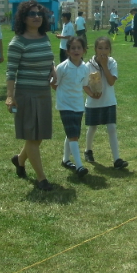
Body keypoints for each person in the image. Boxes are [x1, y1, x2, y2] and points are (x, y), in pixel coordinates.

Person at [6, 0, 55, 191]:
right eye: (32, 14)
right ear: (23, 18)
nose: (36, 17)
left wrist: (53, 70)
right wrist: (10, 96)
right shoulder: (17, 42)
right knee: (32, 136)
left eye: (39, 14)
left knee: (38, 136)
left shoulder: (44, 37)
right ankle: (41, 179)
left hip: (43, 92)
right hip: (26, 94)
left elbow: (49, 58)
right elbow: (11, 72)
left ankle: (19, 160)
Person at [83, 36, 128, 169]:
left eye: (106, 48)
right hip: (93, 102)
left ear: (110, 50)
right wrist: (91, 94)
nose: (103, 51)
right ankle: (88, 150)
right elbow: (84, 84)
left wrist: (104, 65)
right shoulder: (88, 65)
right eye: (100, 48)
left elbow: (111, 81)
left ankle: (117, 159)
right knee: (92, 127)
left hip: (109, 101)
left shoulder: (112, 62)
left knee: (112, 128)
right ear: (95, 49)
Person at [52, 36, 89, 178]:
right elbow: (54, 83)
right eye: (73, 48)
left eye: (79, 47)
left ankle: (65, 160)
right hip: (65, 105)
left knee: (73, 133)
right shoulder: (62, 67)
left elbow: (85, 85)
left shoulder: (85, 68)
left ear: (84, 50)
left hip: (78, 105)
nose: (76, 50)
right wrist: (63, 95)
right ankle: (79, 166)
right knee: (73, 135)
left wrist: (93, 94)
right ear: (67, 51)